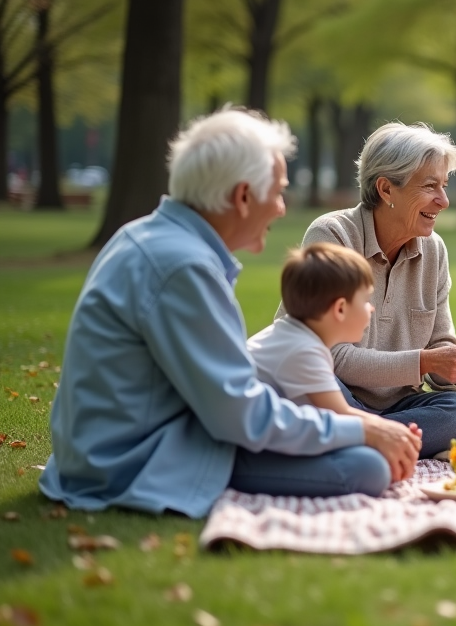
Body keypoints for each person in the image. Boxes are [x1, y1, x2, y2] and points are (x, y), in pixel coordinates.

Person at [40, 109, 421, 518]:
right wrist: (361, 427)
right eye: (277, 193)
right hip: (138, 461)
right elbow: (240, 415)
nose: (280, 208)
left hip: (117, 448)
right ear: (242, 197)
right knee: (365, 466)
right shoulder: (183, 266)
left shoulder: (146, 236)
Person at [293, 122, 456, 457]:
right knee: (308, 389)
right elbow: (330, 357)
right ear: (386, 189)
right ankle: (379, 439)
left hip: (399, 407)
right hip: (333, 393)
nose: (444, 201)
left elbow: (440, 351)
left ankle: (361, 440)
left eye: (445, 186)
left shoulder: (433, 249)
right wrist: (425, 361)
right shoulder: (332, 236)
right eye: (430, 186)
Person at [247, 243, 419, 451]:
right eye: (366, 300)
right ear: (340, 309)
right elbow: (341, 415)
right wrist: (391, 432)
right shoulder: (304, 351)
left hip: (267, 436)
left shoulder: (295, 336)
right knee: (369, 466)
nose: (371, 308)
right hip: (250, 448)